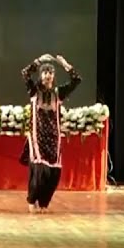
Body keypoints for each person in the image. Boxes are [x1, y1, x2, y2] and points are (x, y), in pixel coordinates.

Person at [21, 54, 82, 214]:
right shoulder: (34, 91)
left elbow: (76, 80)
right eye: (45, 72)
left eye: (50, 72)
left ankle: (44, 203)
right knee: (40, 169)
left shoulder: (58, 93)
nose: (48, 75)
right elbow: (25, 73)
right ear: (41, 76)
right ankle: (32, 200)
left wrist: (65, 64)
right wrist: (38, 61)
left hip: (54, 137)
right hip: (38, 136)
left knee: (54, 172)